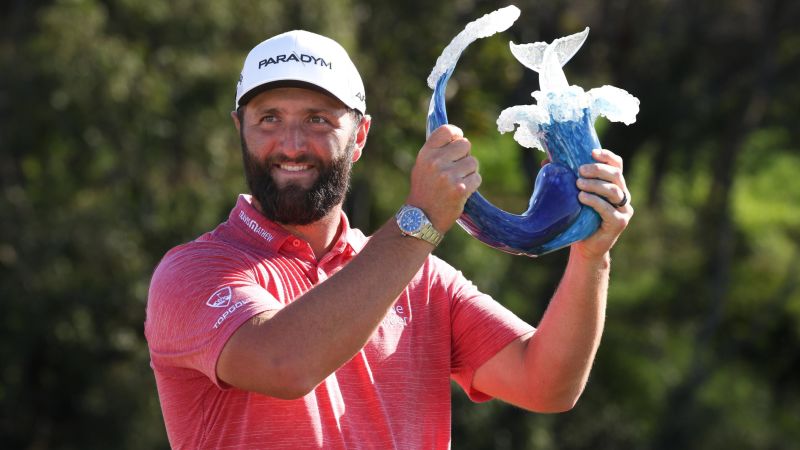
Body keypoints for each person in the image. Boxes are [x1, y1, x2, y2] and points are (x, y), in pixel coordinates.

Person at [145, 29, 633, 449]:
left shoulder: (421, 277)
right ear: (240, 129)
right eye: (268, 118)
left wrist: (591, 257)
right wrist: (421, 220)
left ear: (359, 136)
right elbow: (284, 363)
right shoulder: (192, 272)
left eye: (318, 119)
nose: (291, 144)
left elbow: (546, 384)